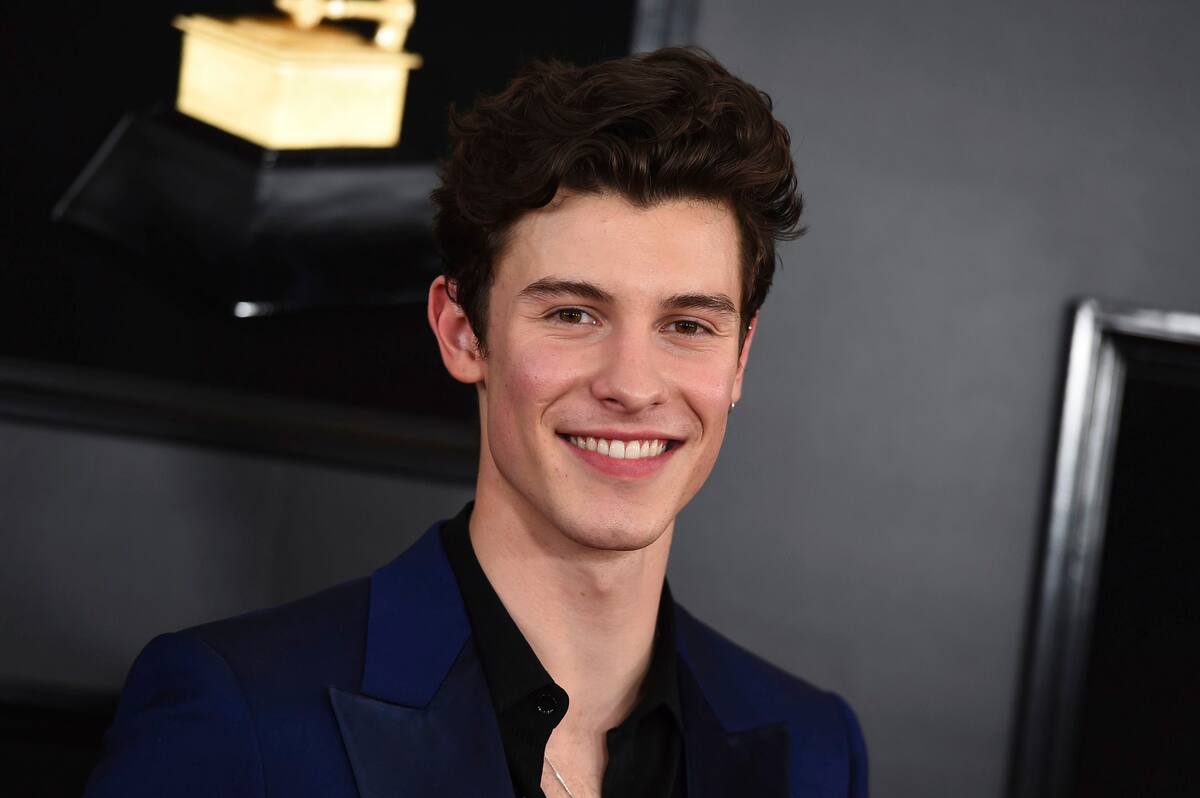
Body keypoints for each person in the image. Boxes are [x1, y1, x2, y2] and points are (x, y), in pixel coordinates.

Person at [85, 47, 867, 798]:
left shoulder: (815, 752)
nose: (632, 385)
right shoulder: (236, 712)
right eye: (572, 313)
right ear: (463, 333)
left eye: (688, 326)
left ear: (740, 359)